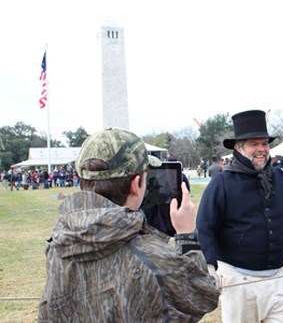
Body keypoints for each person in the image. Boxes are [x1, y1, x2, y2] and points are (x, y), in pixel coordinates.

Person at [38, 128, 219, 322]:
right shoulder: (152, 258)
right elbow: (202, 296)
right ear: (136, 184)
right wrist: (186, 235)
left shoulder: (58, 243)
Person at [196, 110, 283, 323]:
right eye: (254, 144)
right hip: (238, 280)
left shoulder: (281, 178)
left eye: (264, 144)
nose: (261, 149)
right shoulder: (222, 183)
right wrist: (209, 267)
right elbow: (205, 227)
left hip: (277, 277)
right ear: (238, 147)